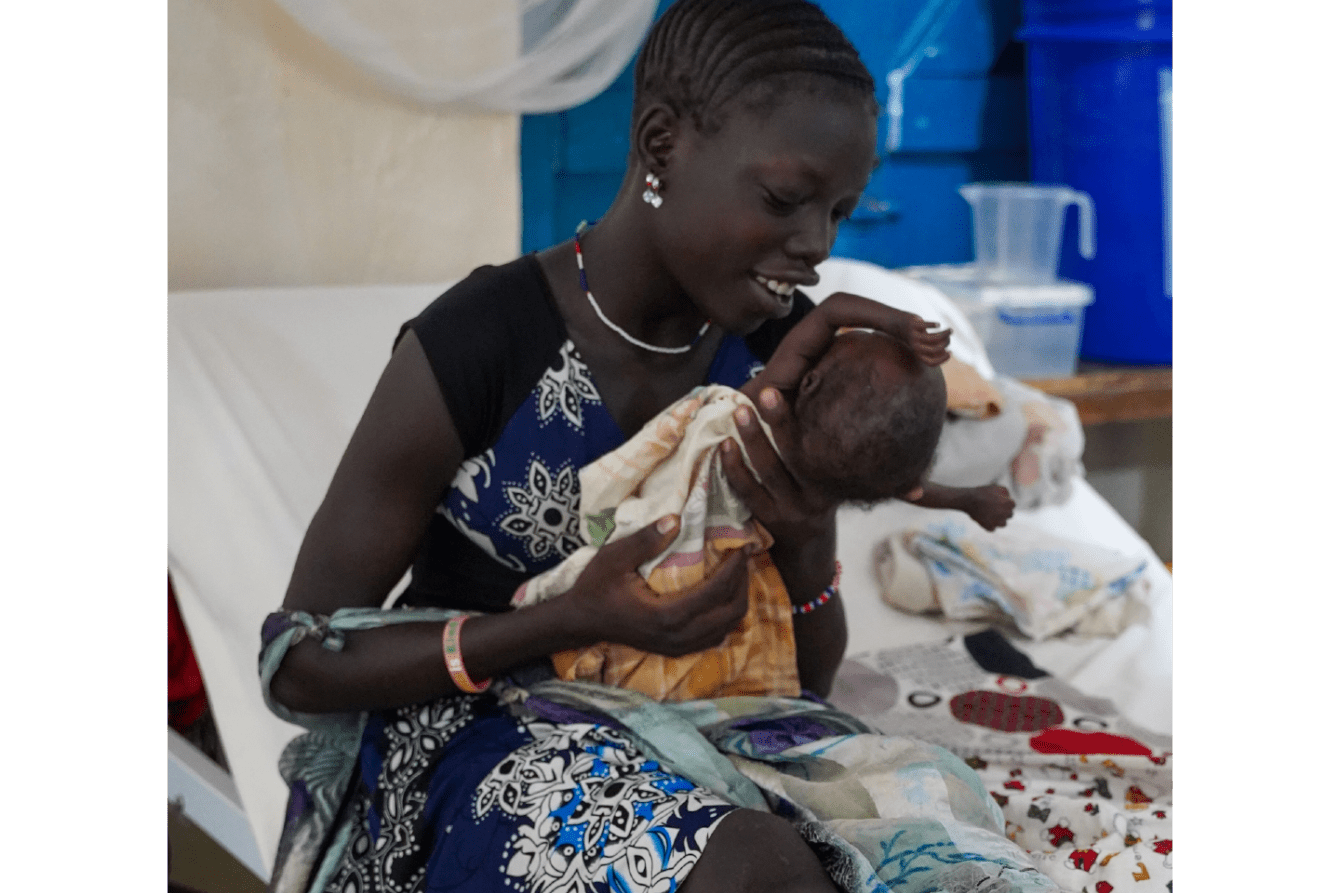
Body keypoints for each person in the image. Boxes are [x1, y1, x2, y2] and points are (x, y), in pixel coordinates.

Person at [260, 2, 1053, 891]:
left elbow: (806, 676)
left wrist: (808, 539)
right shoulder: (482, 341)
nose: (817, 247)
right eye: (787, 200)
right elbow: (298, 662)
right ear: (661, 142)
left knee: (960, 860)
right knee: (752, 869)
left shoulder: (781, 358)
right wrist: (567, 617)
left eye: (839, 211)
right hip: (481, 740)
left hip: (717, 725)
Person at [516, 329, 1014, 702]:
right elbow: (912, 489)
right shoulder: (833, 462)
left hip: (667, 563)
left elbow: (829, 308)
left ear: (811, 378)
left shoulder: (761, 407)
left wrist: (883, 315)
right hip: (715, 612)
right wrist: (971, 500)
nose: (816, 243)